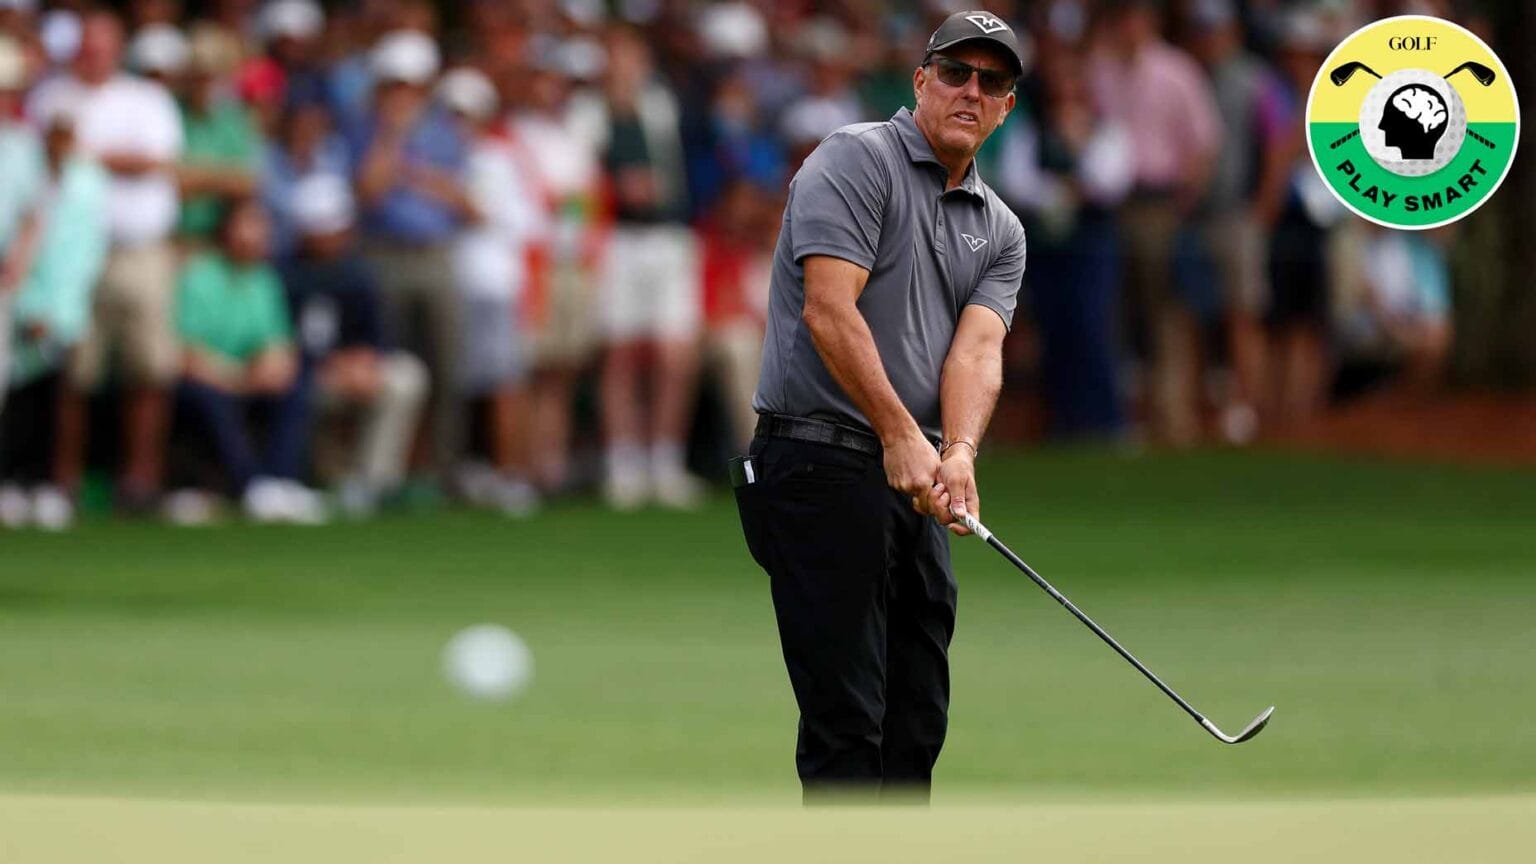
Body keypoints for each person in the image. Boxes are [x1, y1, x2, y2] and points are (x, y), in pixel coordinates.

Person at [733, 11, 1027, 801]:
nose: (971, 91)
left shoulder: (1001, 229)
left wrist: (959, 451)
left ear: (1006, 107)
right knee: (849, 724)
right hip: (817, 459)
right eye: (956, 72)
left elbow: (976, 352)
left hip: (915, 474)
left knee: (915, 722)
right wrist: (899, 432)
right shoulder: (857, 158)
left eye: (992, 81)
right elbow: (829, 310)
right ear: (921, 80)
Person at [27, 10, 186, 516]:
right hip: (70, 254)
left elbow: (152, 162)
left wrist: (85, 153)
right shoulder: (52, 96)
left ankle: (140, 481)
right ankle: (65, 483)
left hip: (137, 249)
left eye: (101, 46)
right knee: (75, 371)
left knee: (148, 367)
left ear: (118, 50)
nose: (92, 55)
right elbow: (38, 162)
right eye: (86, 46)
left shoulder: (146, 99)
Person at [593, 26, 703, 510]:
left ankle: (665, 462)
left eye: (631, 57)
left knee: (673, 355)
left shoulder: (664, 105)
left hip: (668, 235)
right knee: (620, 353)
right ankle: (623, 464)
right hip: (617, 239)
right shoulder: (588, 112)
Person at [280, 174, 426, 515]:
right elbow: (281, 339)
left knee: (407, 377)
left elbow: (379, 335)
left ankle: (373, 484)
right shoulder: (284, 274)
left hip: (353, 373)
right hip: (305, 375)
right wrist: (327, 365)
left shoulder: (358, 272)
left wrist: (364, 361)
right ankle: (317, 477)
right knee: (297, 389)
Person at [173, 196, 325, 524]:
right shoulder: (198, 276)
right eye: (249, 224)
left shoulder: (265, 280)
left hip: (245, 377)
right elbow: (186, 352)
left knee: (294, 386)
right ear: (226, 231)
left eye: (262, 226)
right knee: (210, 398)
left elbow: (278, 345)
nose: (258, 234)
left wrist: (270, 368)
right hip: (206, 379)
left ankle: (281, 480)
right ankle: (251, 485)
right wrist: (236, 378)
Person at [0, 105, 111, 530]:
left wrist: (62, 308)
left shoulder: (90, 181)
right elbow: (23, 244)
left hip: (67, 307)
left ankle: (50, 484)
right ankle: (14, 481)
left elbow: (85, 249)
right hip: (23, 303)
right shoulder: (25, 173)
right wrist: (30, 305)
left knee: (62, 397)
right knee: (18, 399)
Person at [439, 66, 540, 516]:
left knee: (502, 382)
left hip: (494, 283)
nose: (457, 123)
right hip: (461, 281)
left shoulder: (497, 158)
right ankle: (469, 470)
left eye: (464, 114)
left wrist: (440, 190)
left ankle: (510, 473)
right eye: (451, 114)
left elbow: (496, 215)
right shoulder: (452, 157)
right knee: (462, 382)